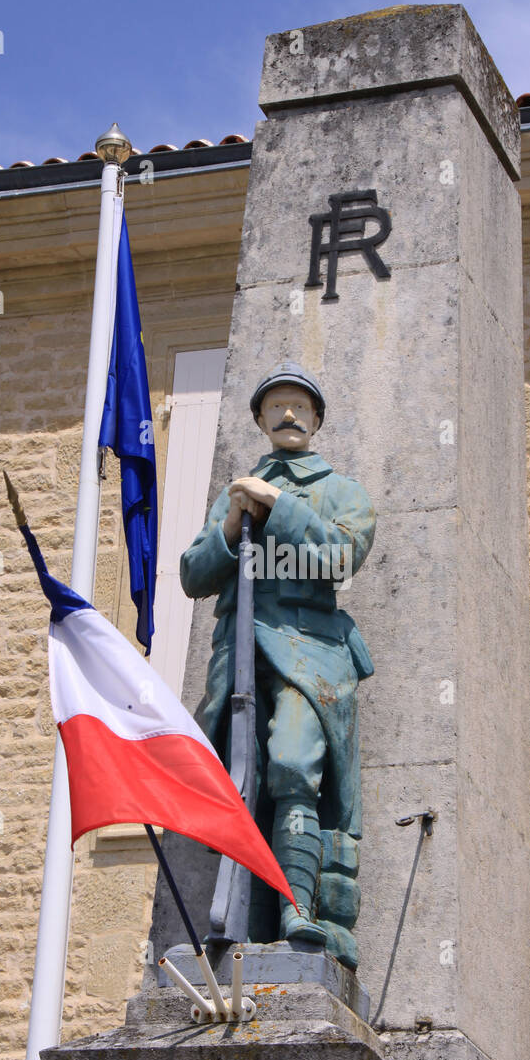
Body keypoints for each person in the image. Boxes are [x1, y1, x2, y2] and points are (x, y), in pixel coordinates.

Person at [179, 360, 375, 966]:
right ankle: (239, 919)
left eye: (299, 406)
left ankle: (299, 908)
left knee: (294, 763)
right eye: (276, 406)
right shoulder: (233, 493)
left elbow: (340, 558)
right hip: (240, 650)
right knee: (241, 784)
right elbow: (192, 575)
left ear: (316, 419)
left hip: (310, 652)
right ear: (261, 419)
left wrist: (279, 506)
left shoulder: (342, 491)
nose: (288, 415)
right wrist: (235, 521)